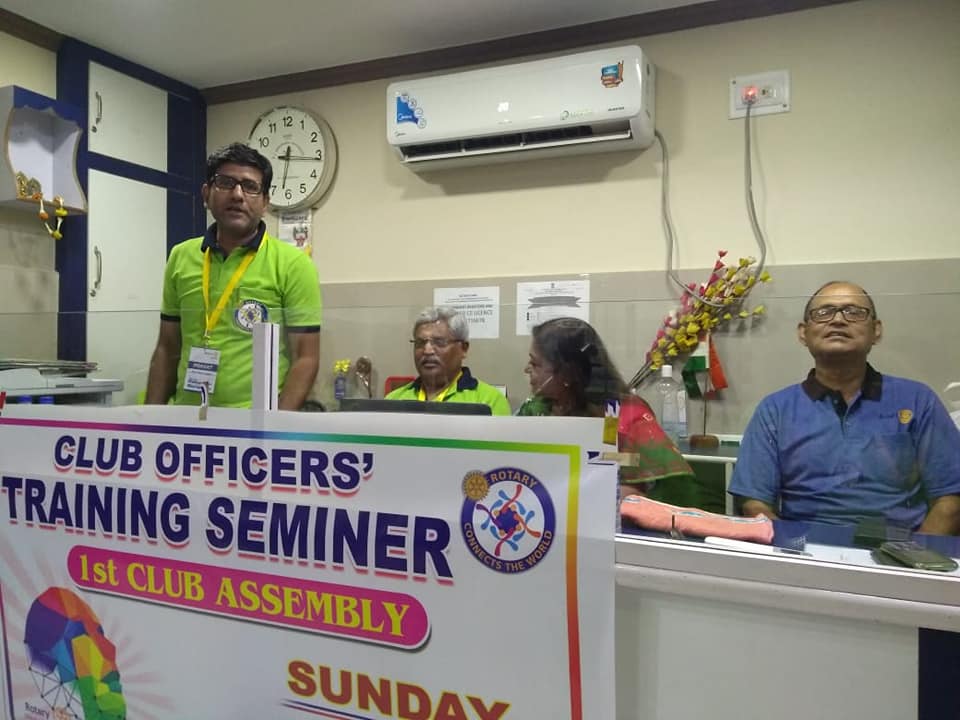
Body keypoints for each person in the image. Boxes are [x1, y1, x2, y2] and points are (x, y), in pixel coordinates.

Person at [730, 281, 960, 534]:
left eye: (854, 312)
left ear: (876, 330)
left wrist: (916, 554)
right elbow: (754, 504)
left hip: (901, 548)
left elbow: (950, 500)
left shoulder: (917, 400)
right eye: (824, 312)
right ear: (803, 333)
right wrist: (791, 550)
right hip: (803, 547)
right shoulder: (775, 409)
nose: (838, 320)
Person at [145, 143, 322, 410]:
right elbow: (167, 348)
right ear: (206, 193)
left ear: (265, 202)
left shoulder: (294, 264)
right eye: (226, 183)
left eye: (250, 187)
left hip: (255, 421)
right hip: (186, 419)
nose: (238, 195)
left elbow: (305, 358)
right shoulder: (180, 256)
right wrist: (150, 419)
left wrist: (275, 424)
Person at [517, 317, 695, 495]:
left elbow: (631, 476)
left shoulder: (618, 415)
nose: (527, 370)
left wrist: (592, 467)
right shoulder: (536, 409)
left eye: (535, 364)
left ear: (567, 372)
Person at [386, 306, 510, 415]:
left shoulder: (488, 401)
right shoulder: (394, 400)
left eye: (439, 342)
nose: (427, 350)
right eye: (420, 342)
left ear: (463, 349)